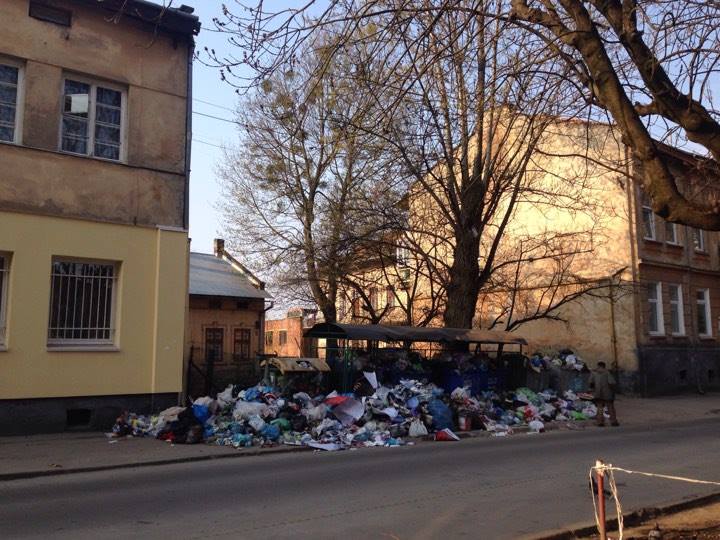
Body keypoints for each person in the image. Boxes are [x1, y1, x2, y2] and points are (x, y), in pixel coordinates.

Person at [589, 361, 619, 427]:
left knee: (600, 407)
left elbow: (590, 382)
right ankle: (613, 421)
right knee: (610, 407)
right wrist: (613, 390)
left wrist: (593, 390)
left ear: (598, 366)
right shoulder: (607, 373)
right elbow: (612, 382)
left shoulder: (594, 373)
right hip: (607, 393)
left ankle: (600, 422)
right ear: (604, 366)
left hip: (598, 393)